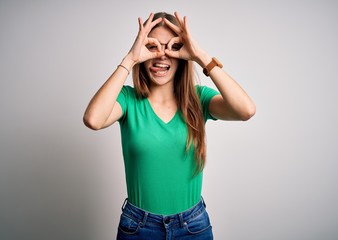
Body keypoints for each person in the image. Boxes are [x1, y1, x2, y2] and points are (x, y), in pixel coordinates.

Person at [83, 11, 255, 240]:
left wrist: (200, 55)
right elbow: (93, 119)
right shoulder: (128, 100)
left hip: (193, 227)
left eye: (171, 47)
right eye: (152, 47)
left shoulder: (199, 99)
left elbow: (246, 110)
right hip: (139, 228)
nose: (161, 56)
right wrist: (130, 58)